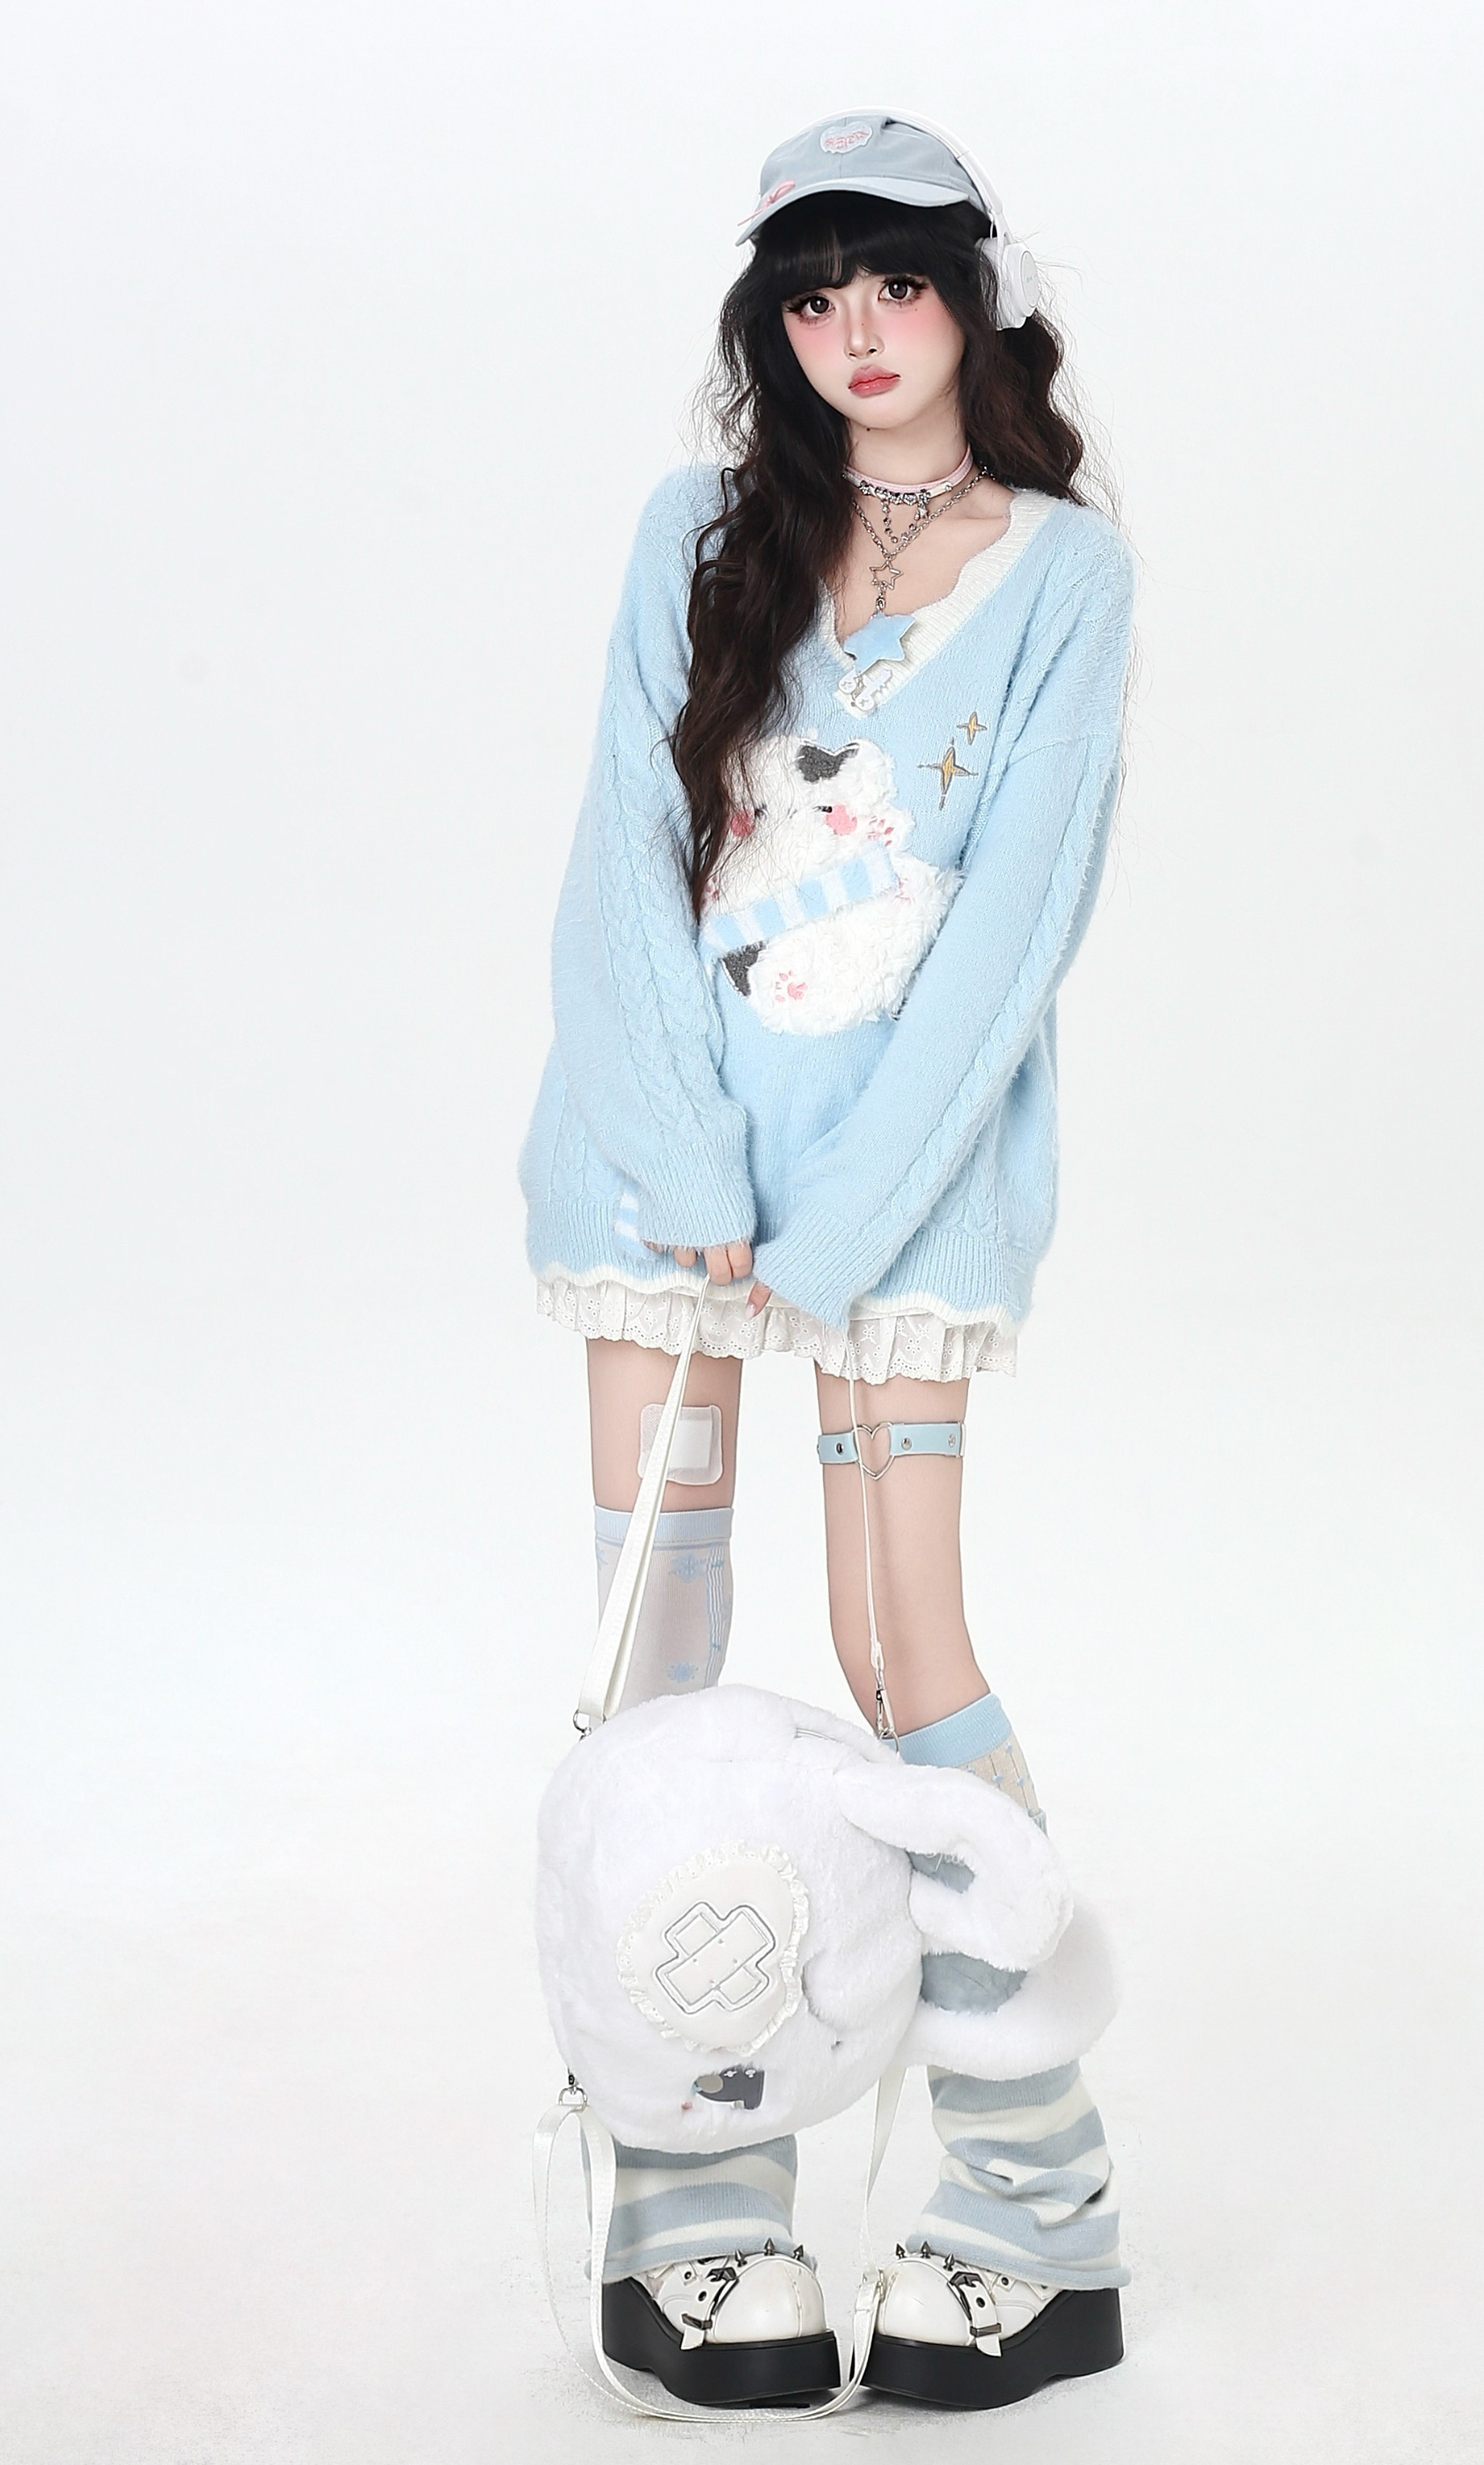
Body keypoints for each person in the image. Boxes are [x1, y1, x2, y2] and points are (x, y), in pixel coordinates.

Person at [519, 109, 1135, 2411]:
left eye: (895, 283)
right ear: (771, 327)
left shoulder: (1064, 576)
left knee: (905, 1660)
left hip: (908, 1193)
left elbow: (1018, 924)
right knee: (661, 1678)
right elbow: (621, 852)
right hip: (654, 1187)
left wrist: (847, 1222)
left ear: (971, 295)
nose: (858, 331)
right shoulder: (697, 533)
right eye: (812, 295)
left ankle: (1032, 2211)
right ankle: (693, 2211)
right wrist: (686, 1154)